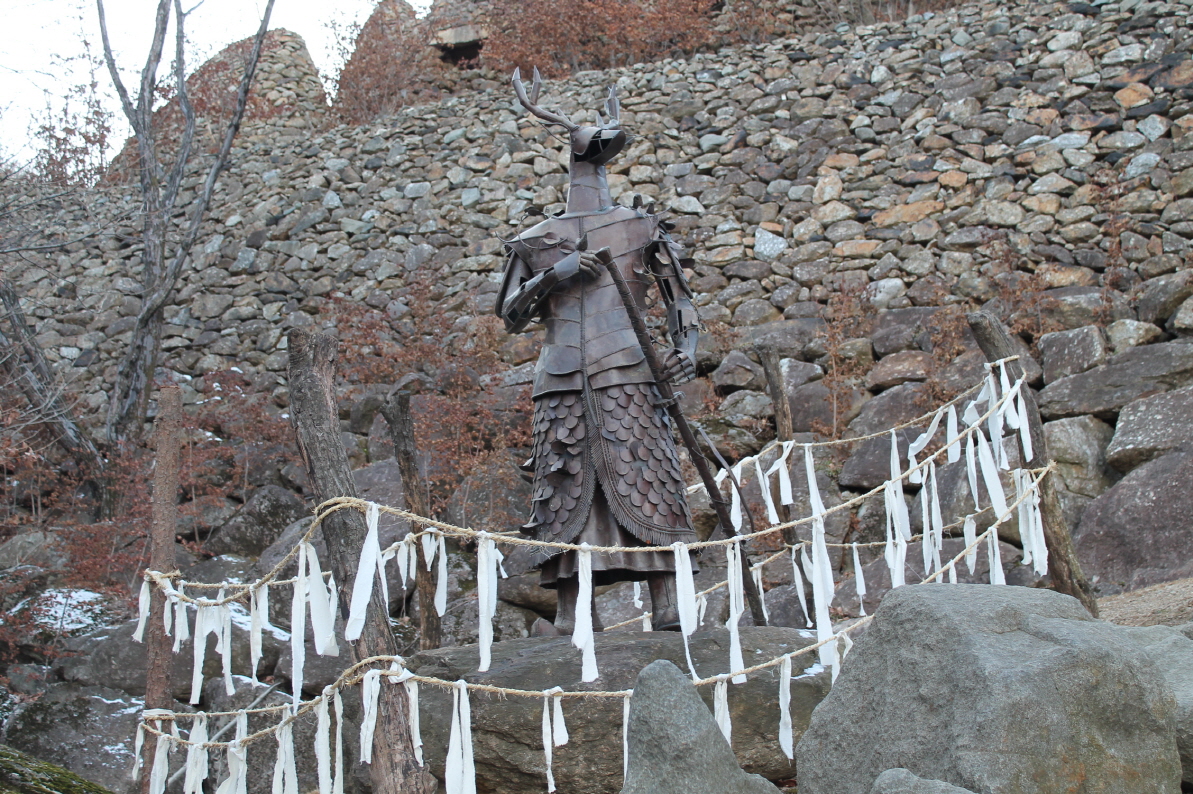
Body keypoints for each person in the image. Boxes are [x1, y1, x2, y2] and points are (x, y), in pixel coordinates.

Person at [494, 69, 701, 634]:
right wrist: (553, 276)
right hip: (561, 374)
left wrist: (687, 349)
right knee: (564, 484)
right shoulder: (537, 239)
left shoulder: (640, 225)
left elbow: (679, 303)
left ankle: (667, 599)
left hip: (631, 370)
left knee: (647, 474)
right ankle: (571, 609)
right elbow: (510, 313)